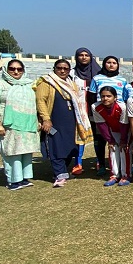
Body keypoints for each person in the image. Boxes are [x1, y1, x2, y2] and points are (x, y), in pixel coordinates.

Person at [0, 59, 41, 190]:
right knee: (12, 152)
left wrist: (37, 120)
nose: (16, 71)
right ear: (6, 69)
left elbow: (34, 104)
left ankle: (24, 178)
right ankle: (13, 180)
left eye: (19, 69)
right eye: (12, 69)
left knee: (26, 151)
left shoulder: (27, 84)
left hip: (27, 124)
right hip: (9, 125)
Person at [36, 59, 92, 187]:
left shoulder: (70, 83)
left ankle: (63, 171)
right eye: (59, 68)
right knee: (56, 145)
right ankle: (59, 174)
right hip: (54, 120)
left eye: (65, 68)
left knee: (70, 146)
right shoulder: (46, 82)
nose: (62, 71)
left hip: (70, 121)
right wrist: (46, 119)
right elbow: (40, 101)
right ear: (54, 68)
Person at [87, 56, 128, 175]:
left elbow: (124, 97)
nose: (111, 65)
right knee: (100, 139)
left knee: (120, 139)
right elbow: (92, 96)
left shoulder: (122, 80)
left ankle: (122, 166)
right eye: (108, 63)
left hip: (118, 112)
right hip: (102, 112)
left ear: (117, 65)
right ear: (104, 64)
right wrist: (95, 111)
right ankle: (101, 164)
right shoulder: (97, 78)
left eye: (114, 63)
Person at [92, 86, 131, 186]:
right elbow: (101, 125)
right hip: (112, 130)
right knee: (113, 149)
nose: (105, 99)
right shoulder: (96, 107)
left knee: (123, 150)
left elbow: (124, 125)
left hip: (126, 131)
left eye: (109, 96)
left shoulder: (122, 107)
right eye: (103, 96)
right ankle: (114, 175)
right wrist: (110, 140)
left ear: (115, 97)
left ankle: (125, 175)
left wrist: (123, 141)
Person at [71, 47, 100, 175]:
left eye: (86, 55)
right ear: (76, 57)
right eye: (81, 55)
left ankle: (100, 161)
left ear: (90, 57)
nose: (83, 57)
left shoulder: (99, 73)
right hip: (80, 110)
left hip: (96, 110)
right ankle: (78, 163)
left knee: (99, 136)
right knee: (80, 136)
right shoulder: (72, 74)